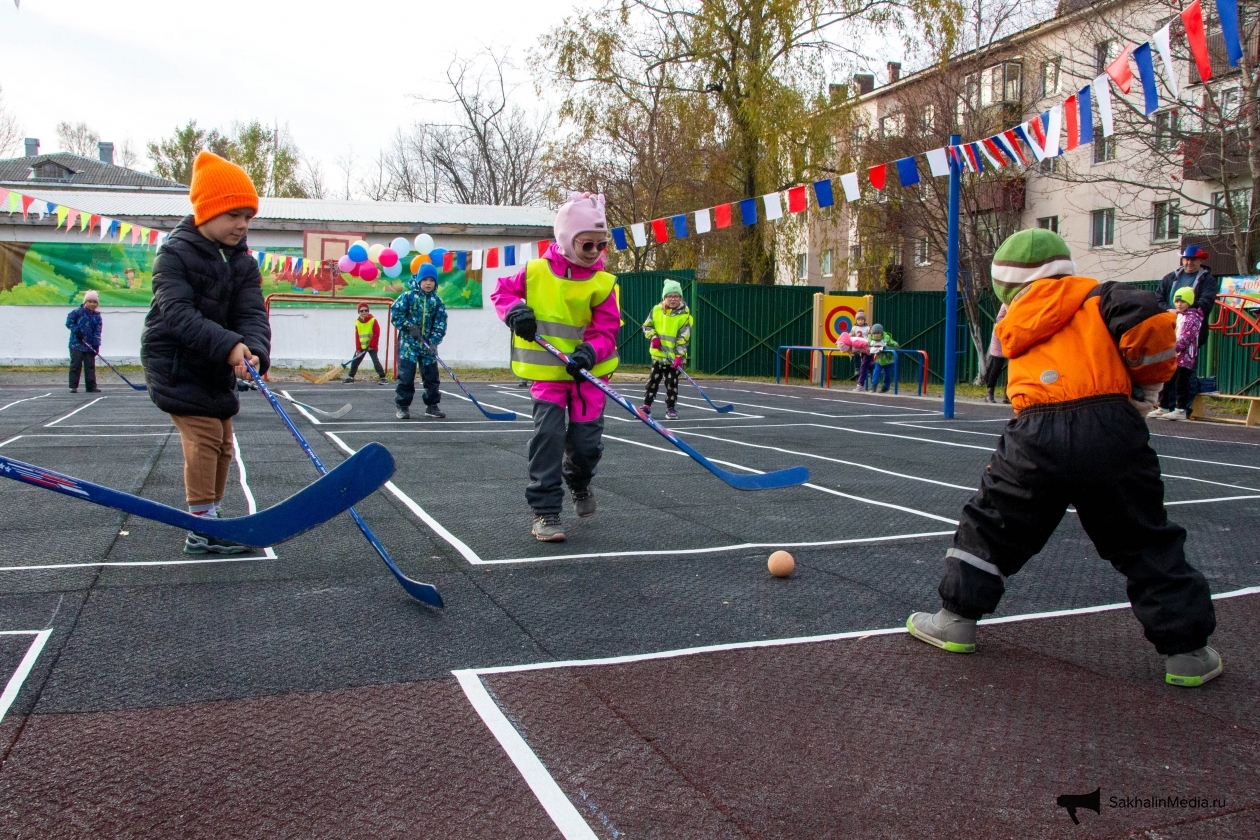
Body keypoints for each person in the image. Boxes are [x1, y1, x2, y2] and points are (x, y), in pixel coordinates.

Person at [907, 229, 1222, 688]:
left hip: (1034, 430)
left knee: (992, 524)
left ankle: (955, 619)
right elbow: (1151, 323)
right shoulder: (1100, 296)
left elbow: (1012, 370)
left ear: (1005, 283)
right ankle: (1187, 651)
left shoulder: (1012, 319)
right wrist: (1145, 386)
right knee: (1142, 536)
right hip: (1109, 424)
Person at [140, 151, 271, 556]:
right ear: (207, 211)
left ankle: (210, 518)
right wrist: (230, 346)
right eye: (234, 214)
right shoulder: (174, 255)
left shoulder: (244, 262)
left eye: (248, 215)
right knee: (204, 436)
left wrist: (255, 353)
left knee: (224, 440)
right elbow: (178, 315)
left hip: (216, 365)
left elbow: (250, 312)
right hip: (176, 363)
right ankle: (200, 526)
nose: (243, 224)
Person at [493, 191, 619, 542]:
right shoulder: (535, 271)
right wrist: (516, 312)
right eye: (587, 245)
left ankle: (579, 480)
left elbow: (607, 329)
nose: (595, 253)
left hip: (588, 375)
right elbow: (502, 293)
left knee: (586, 446)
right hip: (549, 374)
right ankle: (546, 512)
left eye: (600, 245)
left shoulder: (603, 282)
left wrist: (590, 353)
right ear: (566, 239)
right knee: (547, 437)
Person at [391, 264, 447, 420]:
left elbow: (441, 322)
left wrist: (434, 341)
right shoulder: (407, 297)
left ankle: (432, 406)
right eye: (425, 280)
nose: (428, 283)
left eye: (431, 280)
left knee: (431, 377)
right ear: (419, 280)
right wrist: (409, 327)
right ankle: (402, 406)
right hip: (409, 345)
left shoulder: (437, 301)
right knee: (406, 376)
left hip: (427, 345)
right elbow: (396, 315)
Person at [1148, 287, 1204, 421]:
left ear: (1190, 302)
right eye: (1177, 301)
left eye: (1183, 301)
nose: (1179, 304)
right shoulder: (1178, 316)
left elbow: (1187, 337)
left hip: (1185, 357)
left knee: (1181, 383)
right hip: (1173, 355)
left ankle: (1181, 409)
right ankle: (1164, 406)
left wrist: (1174, 347)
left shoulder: (1193, 317)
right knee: (1167, 381)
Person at [641, 279, 693, 420]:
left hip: (673, 359)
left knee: (672, 384)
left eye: (676, 296)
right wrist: (653, 338)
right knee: (653, 381)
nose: (673, 299)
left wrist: (679, 356)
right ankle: (646, 406)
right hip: (658, 355)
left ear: (680, 298)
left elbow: (683, 339)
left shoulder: (685, 316)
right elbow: (647, 326)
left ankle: (671, 408)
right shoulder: (656, 310)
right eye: (669, 296)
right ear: (664, 298)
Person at [1155, 245, 1217, 347]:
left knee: (1187, 361)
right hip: (1168, 325)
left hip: (1191, 331)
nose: (1189, 262)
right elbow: (1157, 298)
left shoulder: (1208, 280)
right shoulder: (1169, 278)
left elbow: (1206, 303)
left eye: (1193, 260)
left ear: (1201, 261)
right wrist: (1168, 310)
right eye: (1186, 259)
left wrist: (1185, 311)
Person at [66, 290, 103, 393]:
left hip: (89, 345)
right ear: (85, 302)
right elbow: (69, 322)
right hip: (76, 344)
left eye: (94, 302)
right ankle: (73, 386)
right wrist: (76, 330)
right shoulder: (77, 312)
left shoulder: (97, 316)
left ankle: (91, 386)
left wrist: (96, 344)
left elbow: (98, 331)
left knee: (90, 366)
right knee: (76, 365)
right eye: (90, 301)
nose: (92, 304)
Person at [345, 303, 388, 384]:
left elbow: (376, 333)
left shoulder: (373, 320)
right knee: (355, 361)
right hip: (362, 346)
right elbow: (357, 336)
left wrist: (372, 345)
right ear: (359, 312)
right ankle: (351, 377)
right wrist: (358, 349)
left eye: (366, 310)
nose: (364, 312)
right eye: (361, 311)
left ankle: (383, 377)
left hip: (372, 346)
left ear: (368, 311)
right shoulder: (357, 322)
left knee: (375, 361)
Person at [983, 303, 1009, 404]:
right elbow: (999, 319)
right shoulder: (1006, 304)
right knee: (998, 365)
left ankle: (1007, 394)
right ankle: (989, 392)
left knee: (1013, 367)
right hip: (1001, 333)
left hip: (1013, 333)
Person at [867, 324, 898, 393]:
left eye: (878, 333)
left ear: (881, 333)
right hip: (879, 360)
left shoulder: (886, 338)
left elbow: (896, 345)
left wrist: (887, 348)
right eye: (874, 333)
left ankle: (885, 387)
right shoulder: (870, 339)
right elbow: (868, 346)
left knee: (888, 374)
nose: (876, 335)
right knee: (876, 372)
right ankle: (873, 386)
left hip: (888, 360)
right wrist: (872, 349)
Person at [849, 309, 873, 391]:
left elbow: (870, 335)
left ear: (864, 320)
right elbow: (851, 334)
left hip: (865, 347)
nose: (860, 321)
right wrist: (847, 336)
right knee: (862, 364)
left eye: (862, 320)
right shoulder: (854, 328)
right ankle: (857, 368)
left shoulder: (867, 328)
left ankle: (861, 384)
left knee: (865, 365)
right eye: (858, 320)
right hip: (857, 347)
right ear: (856, 320)